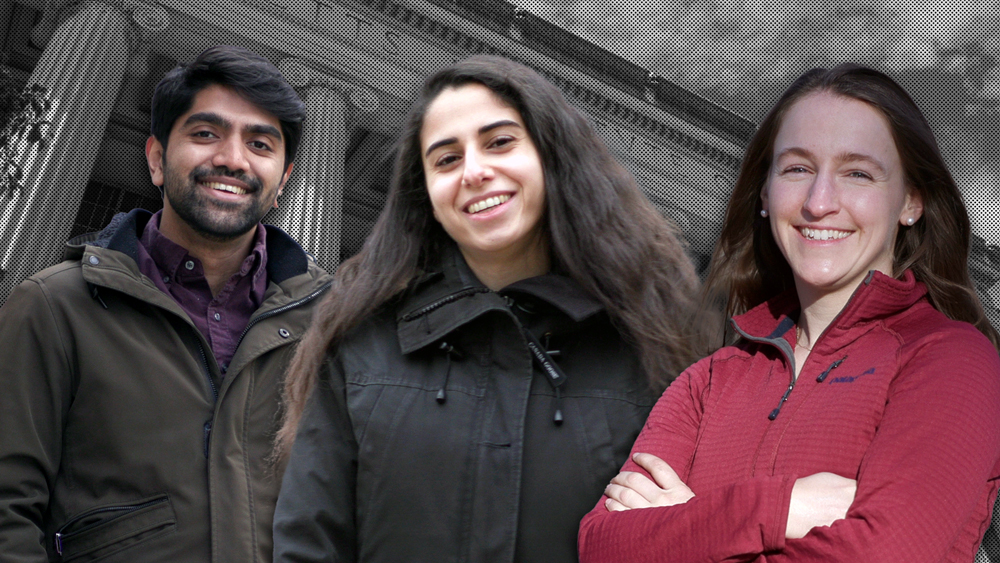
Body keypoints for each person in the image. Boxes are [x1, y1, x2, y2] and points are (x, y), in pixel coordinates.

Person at [271, 54, 707, 563]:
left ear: (550, 156)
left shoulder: (651, 350)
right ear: (426, 193)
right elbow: (309, 546)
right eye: (446, 159)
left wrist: (699, 529)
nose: (475, 171)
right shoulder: (359, 349)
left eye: (500, 142)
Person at [578, 63, 1000, 562]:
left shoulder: (952, 362)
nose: (819, 203)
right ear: (764, 194)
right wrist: (779, 509)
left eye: (857, 173)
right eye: (797, 169)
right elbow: (602, 547)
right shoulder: (707, 383)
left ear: (910, 201)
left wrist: (689, 524)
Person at [0, 45, 332, 563]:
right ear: (156, 158)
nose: (233, 158)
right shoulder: (53, 308)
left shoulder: (334, 324)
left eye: (261, 144)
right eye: (205, 134)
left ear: (283, 180)